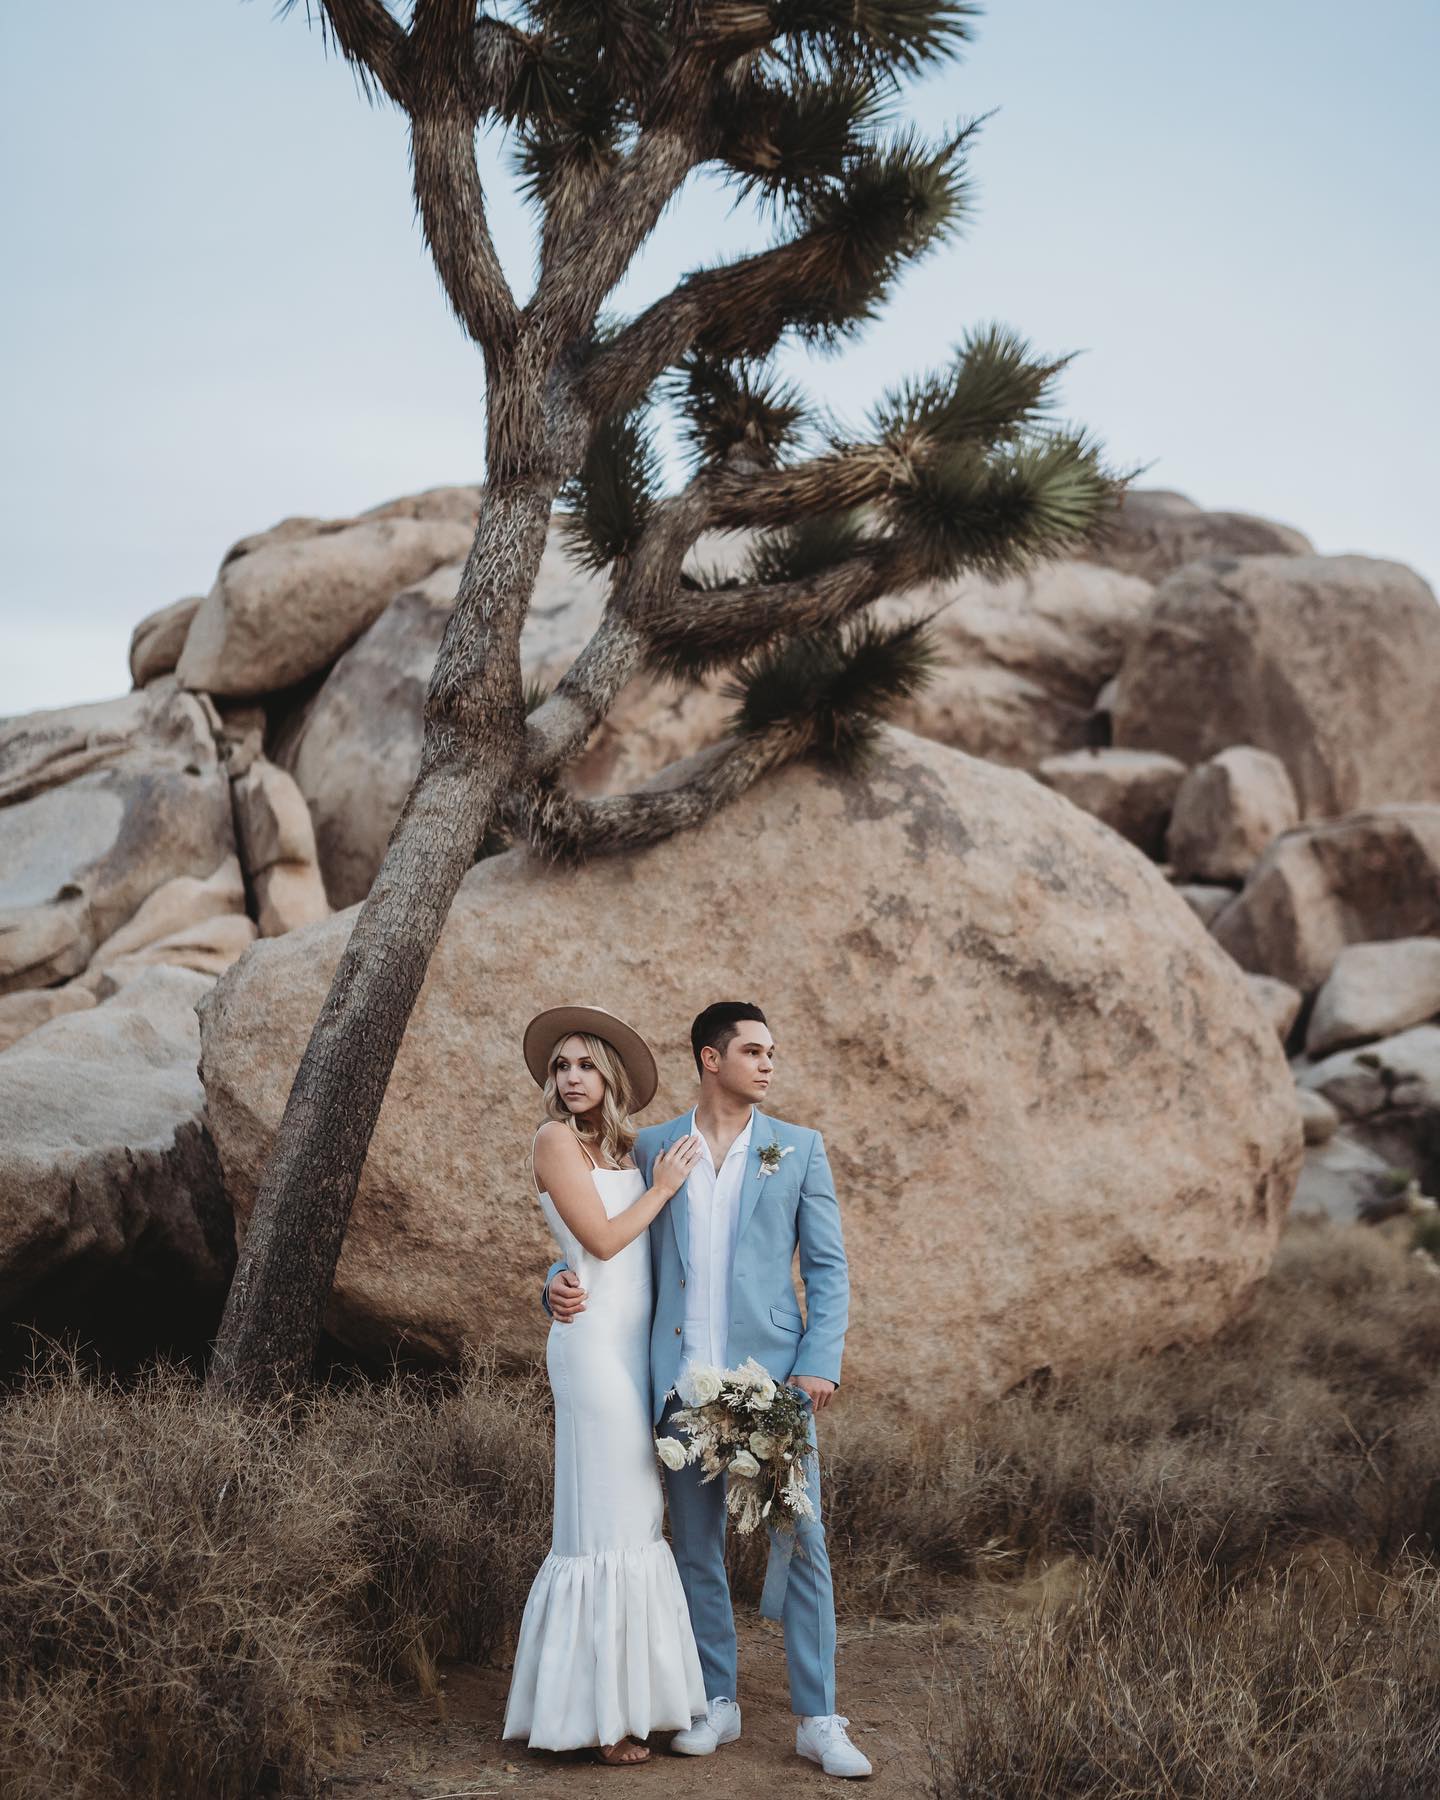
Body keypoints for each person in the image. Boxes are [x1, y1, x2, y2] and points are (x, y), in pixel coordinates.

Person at [544, 1001, 872, 1778]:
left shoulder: (799, 1149)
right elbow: (599, 1242)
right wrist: (553, 1280)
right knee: (695, 1548)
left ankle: (819, 1717)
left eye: (772, 1053)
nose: (768, 1064)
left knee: (804, 1544)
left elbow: (828, 1268)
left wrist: (819, 1359)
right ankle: (715, 1700)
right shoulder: (652, 1147)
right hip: (680, 1387)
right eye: (754, 1051)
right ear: (710, 1060)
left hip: (773, 1386)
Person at [502, 1004, 707, 1767]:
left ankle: (635, 1703)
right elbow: (598, 1241)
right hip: (590, 1352)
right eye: (561, 1066)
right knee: (605, 1525)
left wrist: (554, 1276)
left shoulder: (624, 1149)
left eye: (585, 1064)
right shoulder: (553, 1140)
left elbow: (610, 1262)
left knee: (638, 1519)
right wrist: (663, 1189)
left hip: (636, 1350)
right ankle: (598, 1718)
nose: (572, 1077)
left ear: (610, 1076)